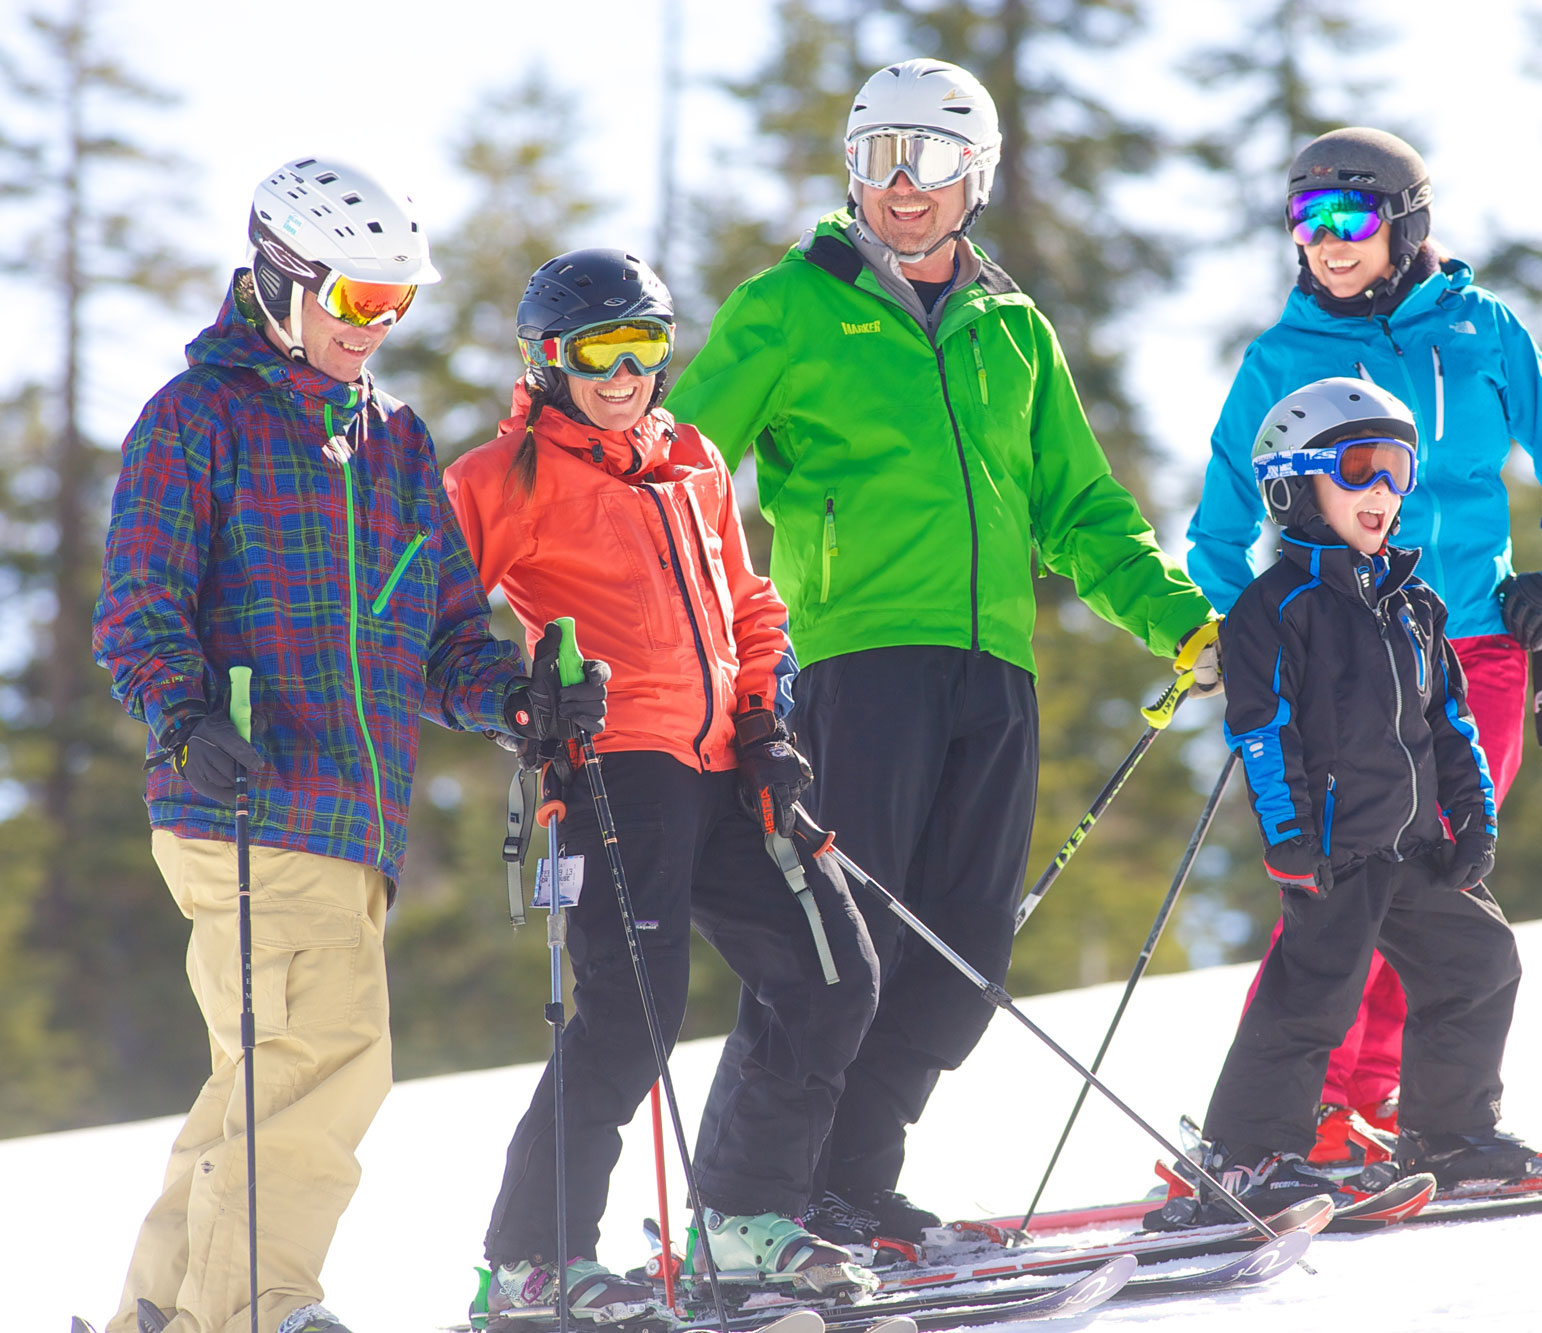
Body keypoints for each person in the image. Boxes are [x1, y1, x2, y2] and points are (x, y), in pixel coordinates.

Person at [666, 58, 1222, 1245]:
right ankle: (742, 1206)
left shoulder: (1012, 333)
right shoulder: (790, 306)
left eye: (929, 160)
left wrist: (1180, 620)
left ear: (978, 176)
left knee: (961, 957)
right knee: (837, 947)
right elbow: (678, 471)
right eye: (878, 157)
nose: (902, 185)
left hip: (992, 669)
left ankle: (848, 1187)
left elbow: (1081, 511)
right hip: (854, 660)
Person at [91, 158, 604, 1333]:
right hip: (248, 796)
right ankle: (256, 1307)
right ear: (281, 277)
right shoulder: (199, 416)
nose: (375, 327)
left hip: (353, 822)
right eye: (358, 299)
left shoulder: (394, 445)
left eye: (397, 302)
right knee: (328, 1053)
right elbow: (138, 601)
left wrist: (515, 702)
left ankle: (165, 1313)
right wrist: (182, 714)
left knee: (265, 1078)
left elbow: (443, 638)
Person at [444, 249, 881, 1317]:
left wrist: (767, 717)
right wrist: (517, 701)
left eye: (643, 346)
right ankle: (533, 1262)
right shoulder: (502, 476)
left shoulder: (692, 461)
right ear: (548, 359)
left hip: (729, 762)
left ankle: (742, 1217)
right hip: (615, 767)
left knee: (832, 969)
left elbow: (750, 606)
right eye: (598, 350)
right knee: (631, 1015)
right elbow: (430, 628)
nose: (623, 373)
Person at [1184, 127, 1542, 1167]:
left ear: (1406, 222)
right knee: (1345, 888)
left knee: (1437, 882)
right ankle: (1303, 1115)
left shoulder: (1478, 328)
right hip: (1341, 665)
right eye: (1305, 217)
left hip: (1474, 643)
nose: (1327, 239)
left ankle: (1389, 1106)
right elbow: (1217, 528)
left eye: (1351, 216)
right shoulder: (1280, 358)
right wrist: (1273, 637)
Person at [1154, 376, 1542, 1230]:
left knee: (1479, 962)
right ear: (1292, 486)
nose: (1384, 488)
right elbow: (1263, 730)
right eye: (1359, 467)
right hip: (1334, 851)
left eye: (1398, 468)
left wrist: (1474, 817)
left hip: (1415, 847)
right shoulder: (1275, 610)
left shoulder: (1415, 604)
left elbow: (1450, 721)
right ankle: (1246, 1156)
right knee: (1312, 999)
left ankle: (1449, 1133)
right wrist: (1288, 836)